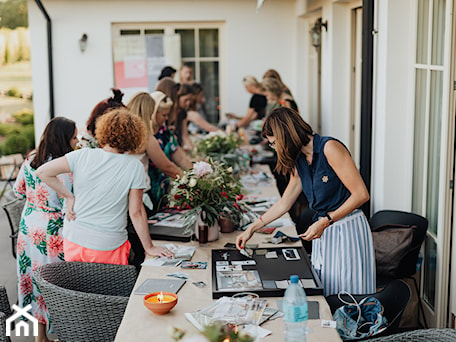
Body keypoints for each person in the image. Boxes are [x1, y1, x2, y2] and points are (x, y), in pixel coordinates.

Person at [236, 107, 375, 296]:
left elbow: (361, 195)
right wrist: (252, 228)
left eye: (274, 143)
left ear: (285, 135)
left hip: (347, 228)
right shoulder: (299, 159)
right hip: (324, 229)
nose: (274, 148)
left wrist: (327, 220)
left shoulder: (329, 148)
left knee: (350, 292)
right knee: (327, 289)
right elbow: (284, 203)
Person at [37, 108, 174, 266]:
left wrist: (69, 196)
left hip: (74, 239)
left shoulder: (83, 155)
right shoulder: (134, 166)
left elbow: (43, 171)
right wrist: (149, 247)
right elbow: (136, 212)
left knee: (77, 287)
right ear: (135, 137)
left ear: (103, 130)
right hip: (109, 244)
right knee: (109, 288)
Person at [14, 117, 78, 342]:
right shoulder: (66, 168)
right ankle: (61, 335)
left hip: (28, 228)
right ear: (63, 139)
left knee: (32, 279)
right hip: (52, 232)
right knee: (54, 284)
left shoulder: (31, 158)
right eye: (73, 137)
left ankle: (40, 337)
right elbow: (70, 204)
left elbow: (18, 190)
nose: (77, 141)